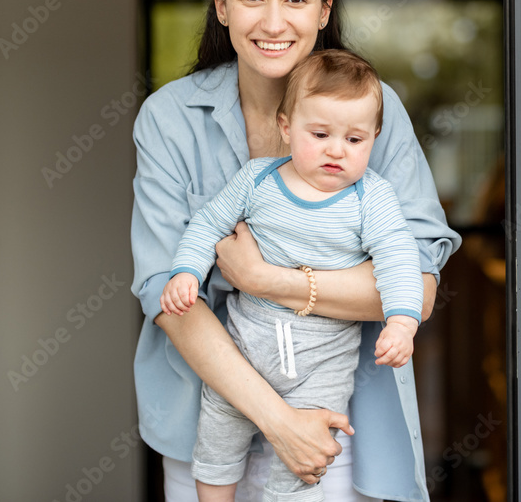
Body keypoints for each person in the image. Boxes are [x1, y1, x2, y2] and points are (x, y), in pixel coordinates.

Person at [131, 0, 459, 502]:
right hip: (203, 413)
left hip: (338, 417)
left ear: (325, 9)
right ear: (222, 5)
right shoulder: (168, 118)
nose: (274, 21)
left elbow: (415, 286)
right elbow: (166, 294)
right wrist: (279, 422)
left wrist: (262, 277)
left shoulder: (373, 113)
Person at [161, 50, 424, 501]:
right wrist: (187, 270)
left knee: (303, 465)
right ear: (287, 128)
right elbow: (207, 223)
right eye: (319, 134)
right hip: (244, 350)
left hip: (321, 367)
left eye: (356, 140)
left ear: (375, 138)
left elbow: (399, 261)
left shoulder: (372, 198)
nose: (336, 149)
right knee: (217, 441)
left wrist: (403, 321)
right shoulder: (257, 179)